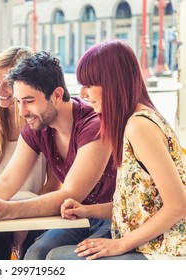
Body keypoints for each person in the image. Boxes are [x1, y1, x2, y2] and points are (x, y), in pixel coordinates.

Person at [0, 51, 117, 260]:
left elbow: (71, 193)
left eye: (28, 101)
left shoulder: (94, 125)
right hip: (78, 217)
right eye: (18, 101)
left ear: (56, 95)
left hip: (112, 218)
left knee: (46, 258)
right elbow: (8, 180)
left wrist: (5, 210)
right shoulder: (38, 126)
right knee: (35, 254)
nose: (22, 111)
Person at [46, 40, 186, 260]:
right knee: (52, 253)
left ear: (113, 83)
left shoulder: (139, 126)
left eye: (89, 85)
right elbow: (139, 206)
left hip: (166, 253)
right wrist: (86, 210)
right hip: (151, 246)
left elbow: (178, 205)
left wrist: (119, 244)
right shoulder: (136, 121)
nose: (82, 94)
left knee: (56, 258)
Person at [0, 46, 59, 259]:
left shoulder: (42, 120)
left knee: (32, 248)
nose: (0, 91)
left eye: (9, 84)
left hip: (34, 208)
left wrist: (25, 223)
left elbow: (53, 184)